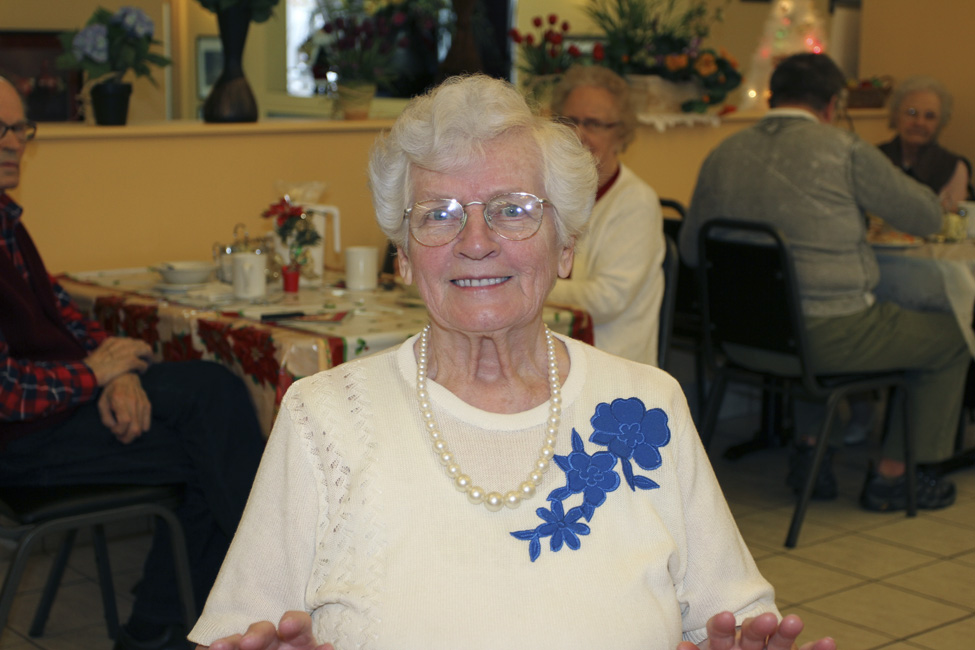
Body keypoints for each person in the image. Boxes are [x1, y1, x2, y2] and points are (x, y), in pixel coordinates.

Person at [188, 75, 836, 650]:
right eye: (437, 215)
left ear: (563, 247)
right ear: (405, 258)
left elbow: (732, 610)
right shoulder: (321, 418)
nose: (475, 242)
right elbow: (239, 631)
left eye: (512, 210)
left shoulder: (644, 407)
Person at [0, 76, 266, 650]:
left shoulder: (7, 225)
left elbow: (66, 317)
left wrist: (115, 371)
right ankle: (255, 598)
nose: (12, 142)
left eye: (19, 127)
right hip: (20, 444)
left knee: (212, 406)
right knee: (215, 429)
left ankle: (164, 628)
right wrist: (93, 375)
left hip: (58, 414)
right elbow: (5, 392)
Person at [678, 53, 967, 511]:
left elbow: (691, 251)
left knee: (801, 308)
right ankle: (895, 477)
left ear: (772, 97)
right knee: (952, 337)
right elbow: (927, 214)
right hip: (826, 339)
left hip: (742, 339)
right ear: (833, 104)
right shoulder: (843, 149)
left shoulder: (723, 154)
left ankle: (812, 448)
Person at [546, 65, 665, 366]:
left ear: (621, 132)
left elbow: (607, 299)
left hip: (610, 363)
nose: (579, 134)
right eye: (570, 121)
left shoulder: (636, 201)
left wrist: (528, 284)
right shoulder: (548, 191)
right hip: (552, 345)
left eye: (595, 124)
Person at [878, 75, 973, 212]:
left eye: (930, 116)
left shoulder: (955, 169)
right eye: (911, 112)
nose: (919, 122)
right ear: (895, 115)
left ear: (941, 123)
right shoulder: (874, 157)